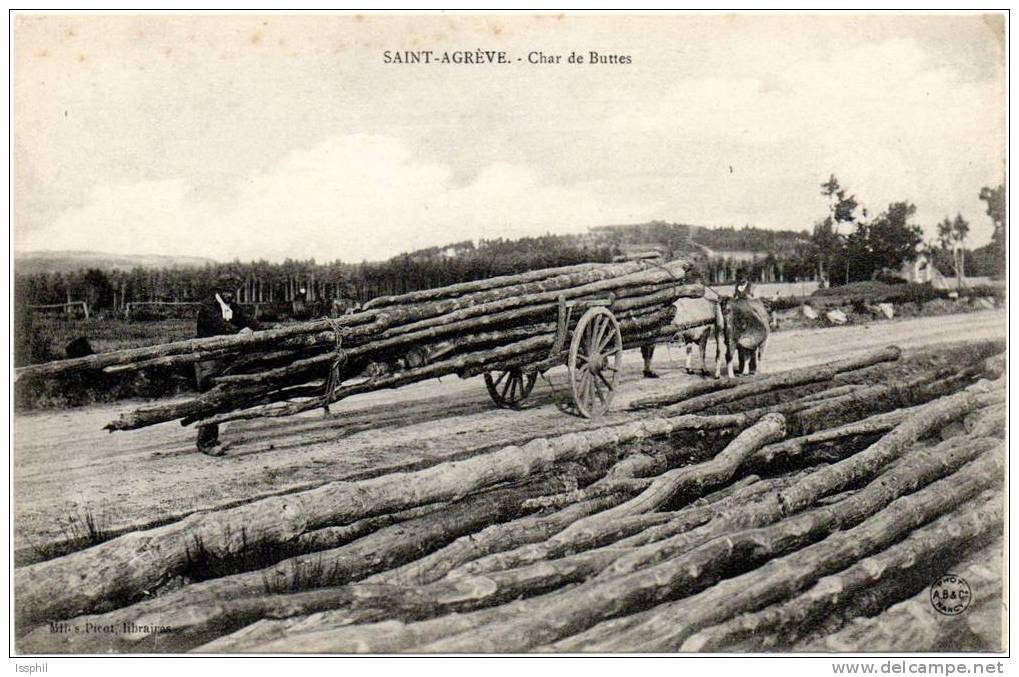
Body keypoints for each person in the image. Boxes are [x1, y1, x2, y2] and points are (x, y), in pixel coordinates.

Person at [194, 274, 258, 455]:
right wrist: (240, 332)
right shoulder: (208, 307)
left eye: (232, 292)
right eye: (226, 292)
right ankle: (206, 442)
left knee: (221, 396)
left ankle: (211, 438)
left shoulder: (231, 307)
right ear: (218, 291)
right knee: (210, 397)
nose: (229, 295)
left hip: (222, 357)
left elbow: (249, 321)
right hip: (207, 358)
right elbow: (220, 326)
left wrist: (268, 328)